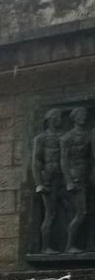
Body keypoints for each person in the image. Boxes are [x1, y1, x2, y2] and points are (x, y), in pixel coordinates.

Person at [31, 108, 66, 253]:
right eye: (58, 117)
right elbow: (36, 162)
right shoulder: (41, 138)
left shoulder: (63, 136)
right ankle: (45, 247)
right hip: (48, 181)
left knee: (73, 211)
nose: (61, 120)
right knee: (50, 214)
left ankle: (68, 245)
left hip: (63, 179)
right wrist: (39, 184)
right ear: (51, 119)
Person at [61, 106, 92, 254]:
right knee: (81, 212)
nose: (84, 117)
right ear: (74, 117)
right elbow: (64, 161)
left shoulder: (89, 135)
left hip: (87, 176)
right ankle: (69, 246)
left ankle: (89, 244)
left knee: (88, 211)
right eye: (81, 115)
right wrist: (68, 181)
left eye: (85, 115)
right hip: (75, 176)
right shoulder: (67, 137)